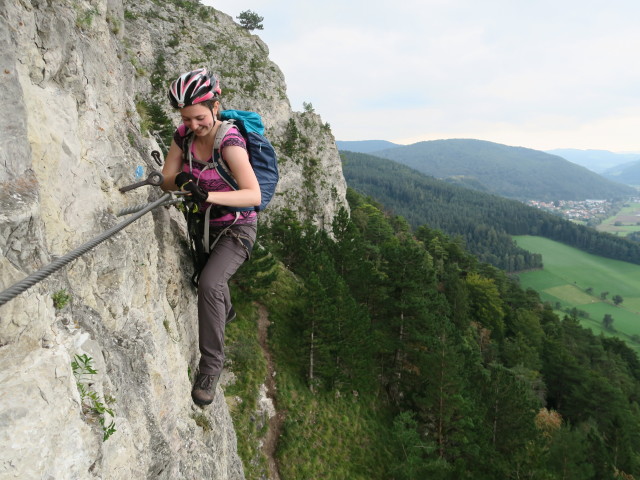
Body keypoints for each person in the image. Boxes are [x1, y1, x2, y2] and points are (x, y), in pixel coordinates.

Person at [162, 68, 261, 406]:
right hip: (202, 226)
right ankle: (225, 311)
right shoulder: (183, 137)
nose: (193, 125)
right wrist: (183, 182)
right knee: (207, 283)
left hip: (237, 226)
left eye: (199, 117)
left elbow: (253, 194)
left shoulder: (229, 143)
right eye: (186, 118)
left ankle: (211, 367)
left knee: (209, 284)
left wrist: (208, 195)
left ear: (215, 107)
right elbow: (166, 179)